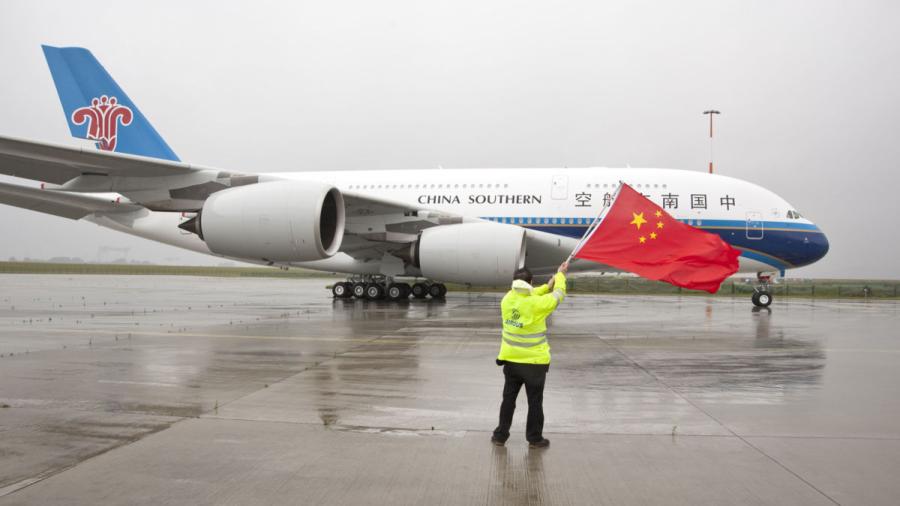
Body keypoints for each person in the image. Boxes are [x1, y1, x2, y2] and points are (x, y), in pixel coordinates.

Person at [492, 261, 568, 448]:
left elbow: (530, 292)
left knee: (508, 400)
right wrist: (560, 276)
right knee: (535, 403)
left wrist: (547, 286)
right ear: (531, 282)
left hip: (510, 361)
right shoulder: (536, 304)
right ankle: (534, 438)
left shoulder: (507, 299)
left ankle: (500, 435)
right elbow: (558, 296)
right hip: (534, 364)